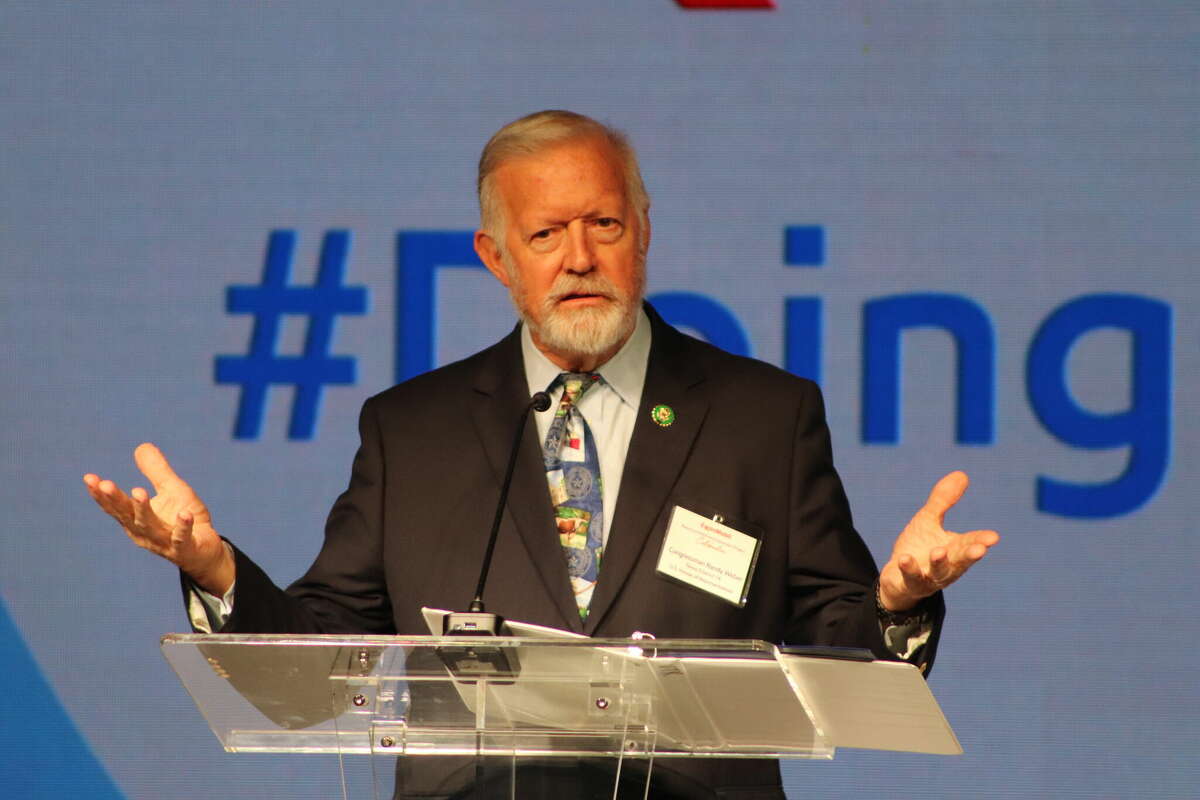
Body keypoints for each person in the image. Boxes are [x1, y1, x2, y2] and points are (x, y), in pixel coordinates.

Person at [84, 110, 999, 799]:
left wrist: (894, 601)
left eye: (603, 224)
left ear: (643, 230)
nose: (579, 257)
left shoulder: (765, 415)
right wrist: (215, 572)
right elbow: (321, 675)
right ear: (496, 256)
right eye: (545, 234)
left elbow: (836, 640)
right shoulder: (414, 432)